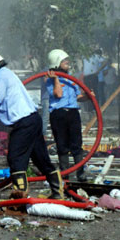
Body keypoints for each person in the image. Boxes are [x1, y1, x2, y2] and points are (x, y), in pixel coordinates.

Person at [0, 47, 63, 199]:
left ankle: (20, 195)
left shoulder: (1, 76)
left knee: (15, 157)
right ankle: (58, 193)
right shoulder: (5, 75)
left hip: (24, 123)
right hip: (32, 120)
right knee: (41, 158)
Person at [47, 49, 90, 182]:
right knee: (62, 145)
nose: (67, 62)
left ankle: (81, 174)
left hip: (72, 113)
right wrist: (55, 79)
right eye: (64, 60)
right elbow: (58, 94)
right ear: (56, 63)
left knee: (77, 145)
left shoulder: (71, 79)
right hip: (58, 114)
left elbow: (78, 97)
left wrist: (88, 96)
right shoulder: (49, 80)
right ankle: (65, 174)